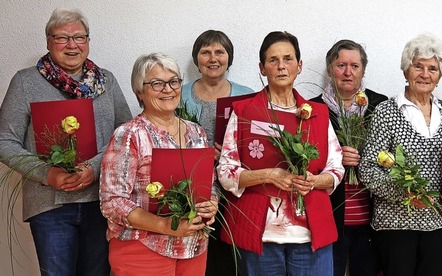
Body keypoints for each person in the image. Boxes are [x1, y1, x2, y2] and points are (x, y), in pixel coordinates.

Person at [0, 8, 131, 275]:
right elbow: (4, 140)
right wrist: (48, 174)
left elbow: (125, 134)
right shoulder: (25, 82)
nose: (72, 45)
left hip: (100, 201)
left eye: (79, 37)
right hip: (50, 205)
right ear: (48, 41)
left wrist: (94, 168)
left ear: (88, 42)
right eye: (62, 38)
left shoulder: (107, 81)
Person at [217, 31, 344, 276]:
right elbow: (225, 171)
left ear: (299, 65)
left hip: (310, 236)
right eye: (273, 60)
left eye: (288, 59)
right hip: (260, 235)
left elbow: (336, 168)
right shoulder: (244, 111)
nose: (281, 66)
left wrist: (315, 181)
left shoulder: (318, 113)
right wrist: (268, 175)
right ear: (262, 68)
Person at [100, 53, 218, 275]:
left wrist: (212, 202)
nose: (168, 89)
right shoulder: (129, 134)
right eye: (157, 83)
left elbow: (209, 185)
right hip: (143, 248)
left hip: (193, 248)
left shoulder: (197, 132)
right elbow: (112, 202)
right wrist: (166, 226)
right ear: (139, 92)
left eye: (174, 81)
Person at [358, 32, 442, 276]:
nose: (425, 74)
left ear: (439, 75)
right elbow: (368, 169)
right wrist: (402, 194)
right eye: (418, 66)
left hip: (436, 222)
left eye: (432, 69)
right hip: (395, 225)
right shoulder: (386, 111)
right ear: (406, 70)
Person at [309, 39, 387, 276]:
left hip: (372, 219)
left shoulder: (380, 106)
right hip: (331, 218)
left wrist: (366, 157)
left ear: (363, 70)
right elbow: (306, 160)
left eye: (355, 66)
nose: (347, 72)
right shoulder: (313, 110)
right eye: (341, 65)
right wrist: (334, 158)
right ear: (329, 69)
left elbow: (393, 155)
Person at [181, 29, 254, 276]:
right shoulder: (178, 94)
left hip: (236, 190)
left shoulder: (248, 95)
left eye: (219, 52)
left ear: (229, 58)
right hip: (192, 188)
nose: (213, 58)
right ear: (196, 59)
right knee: (197, 256)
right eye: (206, 52)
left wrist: (232, 154)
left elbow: (258, 143)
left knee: (230, 258)